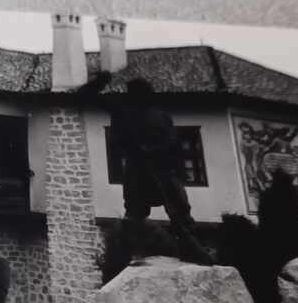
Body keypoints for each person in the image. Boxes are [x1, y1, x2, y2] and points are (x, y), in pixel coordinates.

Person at [76, 71, 213, 264]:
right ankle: (194, 254)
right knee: (173, 215)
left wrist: (101, 81)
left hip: (145, 171)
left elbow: (84, 95)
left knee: (142, 215)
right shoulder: (156, 115)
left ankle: (123, 258)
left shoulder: (124, 111)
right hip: (156, 172)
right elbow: (174, 145)